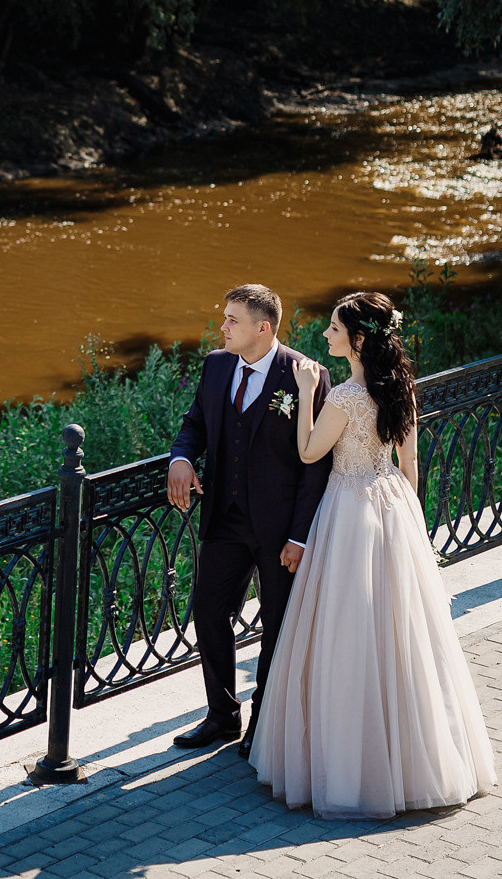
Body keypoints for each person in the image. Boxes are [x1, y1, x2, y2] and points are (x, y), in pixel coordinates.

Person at [249, 291, 498, 819]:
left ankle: (351, 767)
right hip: (393, 507)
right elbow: (409, 465)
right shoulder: (400, 388)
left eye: (335, 330)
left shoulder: (343, 395)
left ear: (358, 339)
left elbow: (310, 451)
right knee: (401, 631)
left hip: (349, 508)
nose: (326, 336)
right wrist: (412, 523)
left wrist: (308, 389)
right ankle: (417, 756)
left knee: (348, 630)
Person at [166, 284, 332, 758]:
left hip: (280, 530)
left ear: (263, 328)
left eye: (232, 320)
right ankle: (222, 716)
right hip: (226, 518)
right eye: (224, 318)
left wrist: (300, 536)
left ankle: (265, 719)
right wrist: (180, 458)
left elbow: (315, 464)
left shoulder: (306, 375)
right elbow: (194, 422)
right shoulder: (217, 365)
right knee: (208, 610)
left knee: (276, 624)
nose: (222, 327)